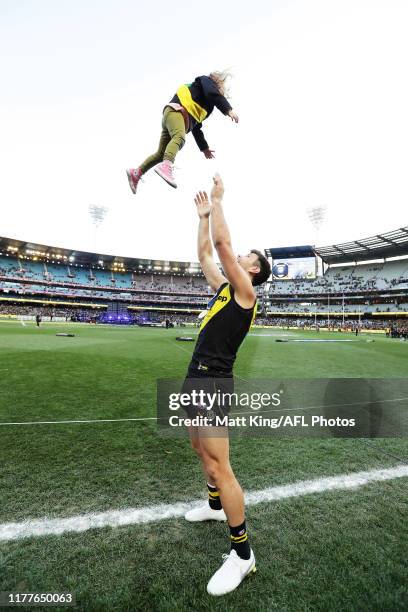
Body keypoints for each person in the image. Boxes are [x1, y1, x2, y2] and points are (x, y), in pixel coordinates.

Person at [182, 174, 271, 596]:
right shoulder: (223, 290)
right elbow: (205, 253)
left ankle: (242, 554)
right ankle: (215, 507)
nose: (239, 256)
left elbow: (221, 247)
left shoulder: (246, 292)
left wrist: (218, 200)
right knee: (198, 448)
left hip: (214, 382)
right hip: (194, 376)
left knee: (221, 465)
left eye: (245, 256)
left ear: (253, 270)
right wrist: (203, 216)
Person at [126, 71, 239, 193]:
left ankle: (136, 173)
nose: (220, 93)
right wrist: (228, 110)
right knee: (179, 138)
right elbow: (212, 93)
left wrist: (204, 147)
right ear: (216, 83)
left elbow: (196, 126)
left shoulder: (206, 104)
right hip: (177, 111)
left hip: (172, 117)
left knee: (161, 154)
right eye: (220, 89)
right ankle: (166, 166)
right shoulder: (205, 81)